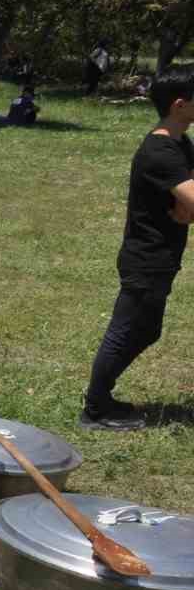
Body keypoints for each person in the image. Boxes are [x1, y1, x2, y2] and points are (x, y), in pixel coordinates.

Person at [81, 69, 194, 430]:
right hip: (147, 258)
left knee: (147, 330)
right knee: (126, 330)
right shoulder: (160, 151)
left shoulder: (182, 144)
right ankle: (95, 409)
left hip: (163, 256)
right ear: (179, 105)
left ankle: (102, 398)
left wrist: (186, 210)